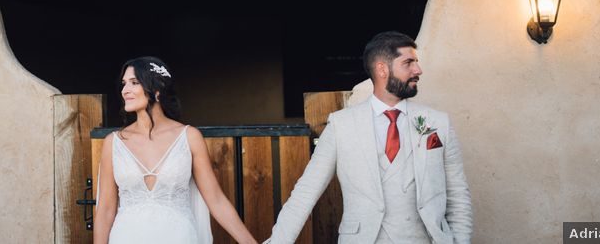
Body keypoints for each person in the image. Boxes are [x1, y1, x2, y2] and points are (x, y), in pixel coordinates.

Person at [266, 32, 473, 244]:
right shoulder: (341, 125)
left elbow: (458, 196)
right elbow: (306, 191)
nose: (418, 70)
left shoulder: (438, 123)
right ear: (382, 69)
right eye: (408, 63)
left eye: (417, 63)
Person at [93, 56, 257, 244]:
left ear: (157, 89)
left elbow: (216, 200)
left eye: (134, 82)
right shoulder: (114, 143)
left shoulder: (189, 137)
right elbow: (105, 209)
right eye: (124, 84)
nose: (125, 91)